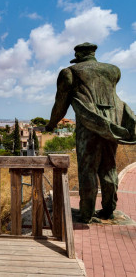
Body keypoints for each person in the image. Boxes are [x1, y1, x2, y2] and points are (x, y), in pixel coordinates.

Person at [46, 42, 136, 223]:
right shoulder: (113, 71)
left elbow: (60, 105)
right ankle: (109, 210)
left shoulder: (69, 73)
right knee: (108, 167)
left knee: (88, 170)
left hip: (89, 127)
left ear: (78, 56)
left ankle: (86, 214)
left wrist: (51, 124)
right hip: (111, 126)